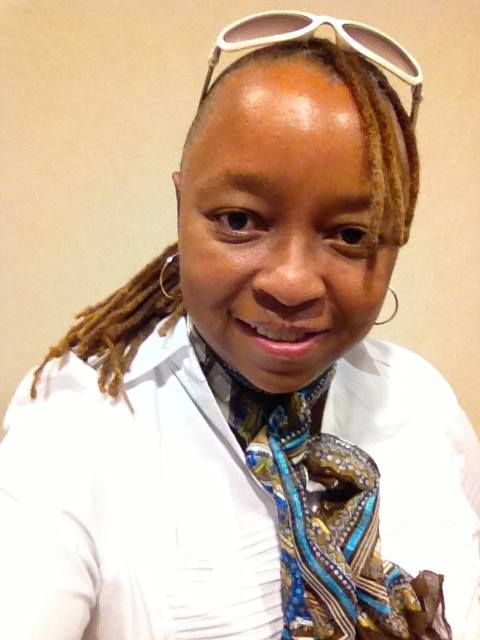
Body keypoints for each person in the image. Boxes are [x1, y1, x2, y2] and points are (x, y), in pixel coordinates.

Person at [1, 9, 479, 640]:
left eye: (351, 235)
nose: (291, 282)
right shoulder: (77, 420)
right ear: (180, 205)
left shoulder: (421, 404)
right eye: (238, 221)